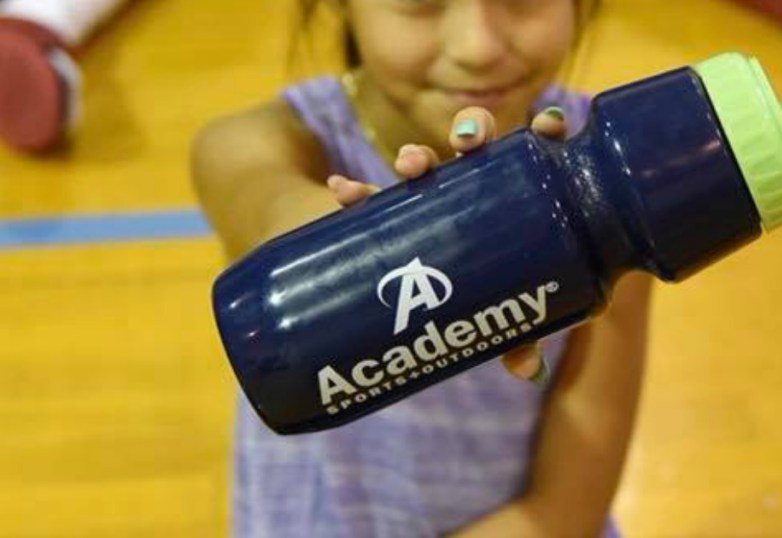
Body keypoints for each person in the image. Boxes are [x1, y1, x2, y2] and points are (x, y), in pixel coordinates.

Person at [191, 1, 651, 536]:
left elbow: (566, 505)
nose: (478, 47)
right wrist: (371, 243)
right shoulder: (267, 142)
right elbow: (262, 206)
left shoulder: (607, 180)